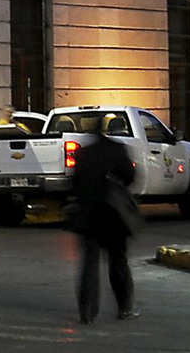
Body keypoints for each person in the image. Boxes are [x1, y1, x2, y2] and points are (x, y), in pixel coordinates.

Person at [70, 133, 138, 323]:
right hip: (112, 215)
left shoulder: (84, 153)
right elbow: (130, 176)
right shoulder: (117, 150)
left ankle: (87, 312)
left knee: (89, 264)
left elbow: (74, 183)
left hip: (88, 215)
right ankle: (124, 307)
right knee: (118, 260)